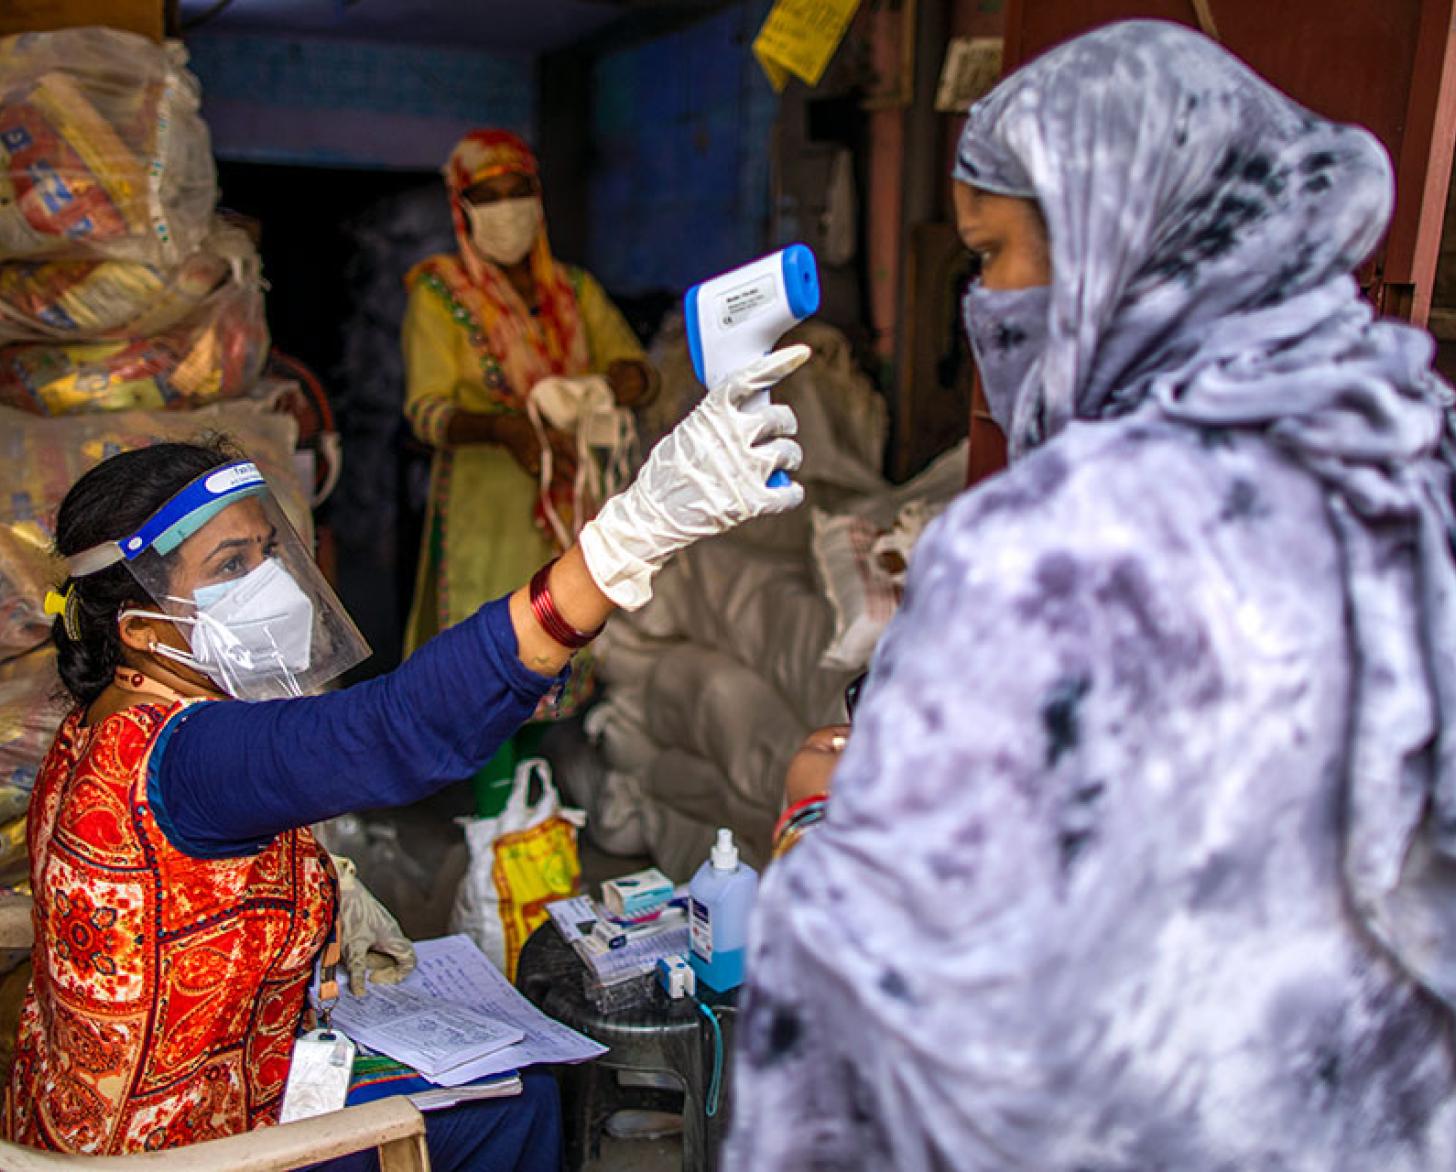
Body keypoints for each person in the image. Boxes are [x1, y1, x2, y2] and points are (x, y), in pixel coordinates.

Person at [728, 21, 1456, 1171]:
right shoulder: (1415, 463)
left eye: (995, 254)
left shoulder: (1055, 554)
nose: (984, 305)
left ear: (1121, 243)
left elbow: (863, 1050)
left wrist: (818, 818)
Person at [1, 340, 808, 1165]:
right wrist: (625, 542)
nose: (269, 582)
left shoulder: (91, 729)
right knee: (518, 1102)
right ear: (140, 633)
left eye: (269, 552)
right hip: (189, 1152)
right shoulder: (191, 755)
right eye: (231, 567)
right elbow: (388, 732)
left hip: (80, 1129)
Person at [402, 129, 656, 656]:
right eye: (487, 198)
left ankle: (540, 737)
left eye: (518, 192)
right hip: (487, 508)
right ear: (461, 208)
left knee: (565, 637)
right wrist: (503, 428)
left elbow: (638, 370)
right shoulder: (439, 294)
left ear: (538, 201)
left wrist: (630, 381)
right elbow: (427, 412)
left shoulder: (575, 291)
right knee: (484, 646)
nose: (507, 210)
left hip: (575, 501)